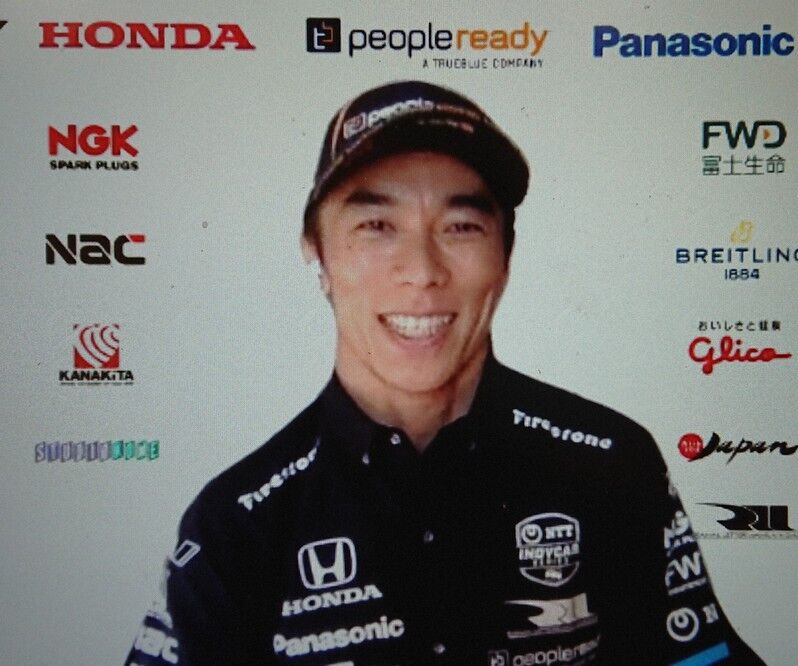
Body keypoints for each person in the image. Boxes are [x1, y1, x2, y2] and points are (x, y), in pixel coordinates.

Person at [125, 81, 763, 665]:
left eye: (460, 227)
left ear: (506, 256)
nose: (423, 271)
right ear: (315, 253)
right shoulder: (236, 523)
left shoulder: (611, 464)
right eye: (377, 225)